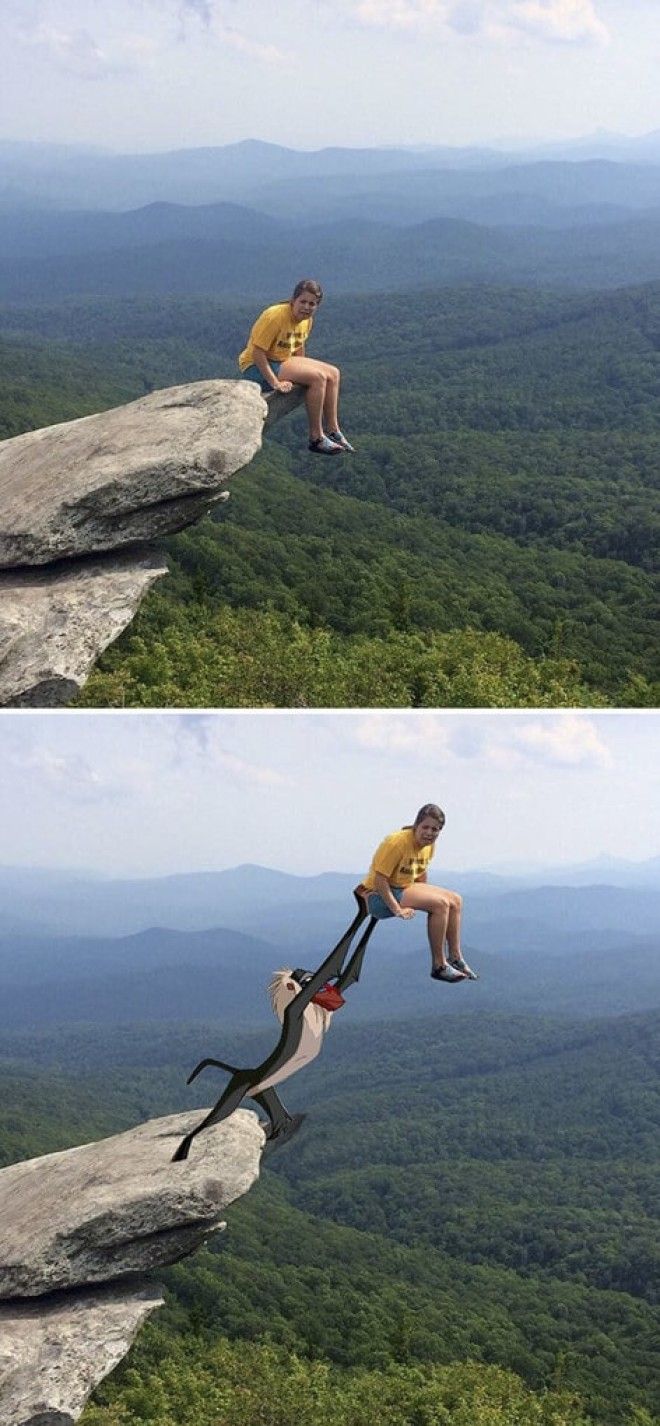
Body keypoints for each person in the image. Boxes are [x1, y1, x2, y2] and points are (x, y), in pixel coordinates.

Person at [357, 804, 479, 983]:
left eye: (435, 830)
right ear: (416, 825)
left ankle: (455, 956)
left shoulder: (429, 846)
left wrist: (425, 897)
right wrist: (398, 909)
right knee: (441, 904)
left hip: (402, 887)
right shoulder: (396, 843)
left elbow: (419, 871)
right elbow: (379, 880)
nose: (430, 833)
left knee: (455, 900)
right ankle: (439, 966)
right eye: (426, 827)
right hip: (376, 896)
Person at [238, 278, 354, 456]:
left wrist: (302, 369)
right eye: (303, 302)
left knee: (333, 373)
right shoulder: (274, 316)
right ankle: (317, 438)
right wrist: (275, 383)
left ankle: (333, 429)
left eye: (312, 304)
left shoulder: (307, 320)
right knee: (318, 378)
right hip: (255, 366)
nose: (307, 307)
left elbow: (298, 344)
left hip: (280, 360)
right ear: (293, 300)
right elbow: (257, 353)